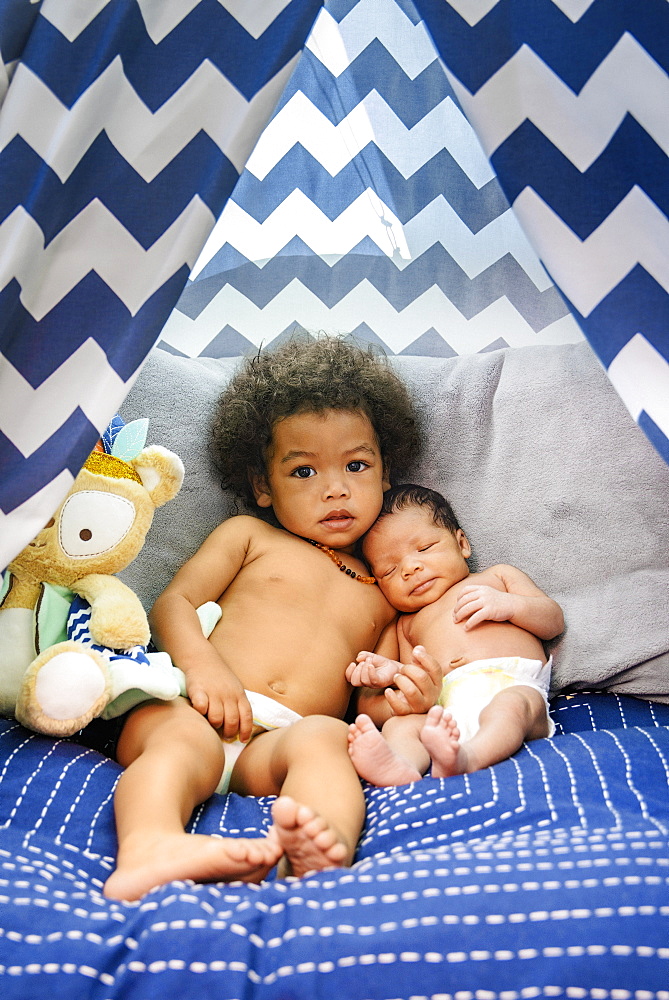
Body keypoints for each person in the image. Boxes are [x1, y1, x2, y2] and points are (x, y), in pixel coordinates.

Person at [103, 336, 425, 901]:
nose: (335, 488)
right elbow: (172, 603)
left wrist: (401, 695)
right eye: (303, 471)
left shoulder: (386, 594)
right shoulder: (249, 536)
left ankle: (320, 852)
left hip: (271, 749)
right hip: (195, 708)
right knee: (178, 744)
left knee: (326, 738)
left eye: (356, 464)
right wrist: (205, 669)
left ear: (385, 472)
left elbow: (370, 699)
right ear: (262, 486)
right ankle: (149, 844)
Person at [346, 484, 564, 786]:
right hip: (446, 709)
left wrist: (510, 606)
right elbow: (419, 679)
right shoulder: (405, 624)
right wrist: (399, 677)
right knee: (403, 726)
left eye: (423, 549)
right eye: (390, 570)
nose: (410, 568)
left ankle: (470, 757)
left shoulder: (496, 577)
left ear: (462, 543)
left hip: (513, 685)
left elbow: (553, 620)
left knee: (512, 706)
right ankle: (400, 765)